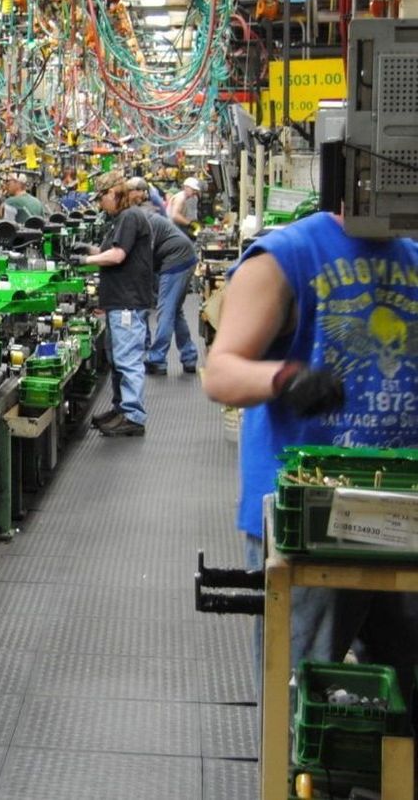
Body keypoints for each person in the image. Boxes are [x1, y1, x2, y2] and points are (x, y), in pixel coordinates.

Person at [202, 209, 418, 687]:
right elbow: (220, 373)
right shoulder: (288, 255)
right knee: (298, 692)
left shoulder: (412, 255)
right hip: (310, 518)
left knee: (404, 696)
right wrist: (286, 378)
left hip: (402, 509)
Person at [69, 170, 155, 436]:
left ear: (112, 193)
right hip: (119, 300)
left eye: (101, 198)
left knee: (127, 359)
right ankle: (121, 409)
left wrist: (85, 261)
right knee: (117, 358)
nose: (99, 204)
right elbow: (109, 251)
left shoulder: (130, 216)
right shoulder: (121, 219)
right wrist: (87, 249)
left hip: (128, 301)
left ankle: (133, 416)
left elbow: (117, 255)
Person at [127, 177, 199, 376]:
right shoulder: (142, 213)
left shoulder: (141, 218)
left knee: (165, 310)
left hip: (176, 260)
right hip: (180, 257)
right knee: (174, 310)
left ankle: (157, 359)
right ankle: (189, 356)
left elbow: (145, 253)